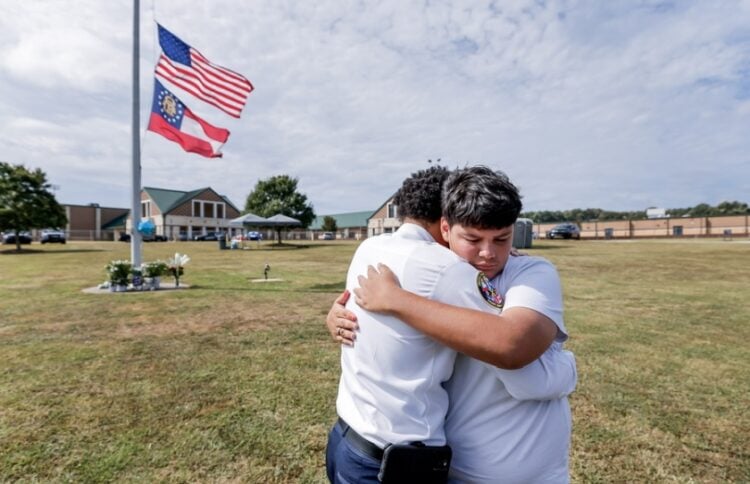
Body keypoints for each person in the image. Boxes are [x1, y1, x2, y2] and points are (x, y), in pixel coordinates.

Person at [326, 166, 576, 483]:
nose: (488, 253)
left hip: (362, 441)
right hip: (431, 462)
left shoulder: (373, 250)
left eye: (502, 238)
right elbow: (516, 355)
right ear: (445, 228)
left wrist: (392, 300)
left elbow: (512, 347)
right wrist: (568, 368)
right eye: (472, 238)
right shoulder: (448, 271)